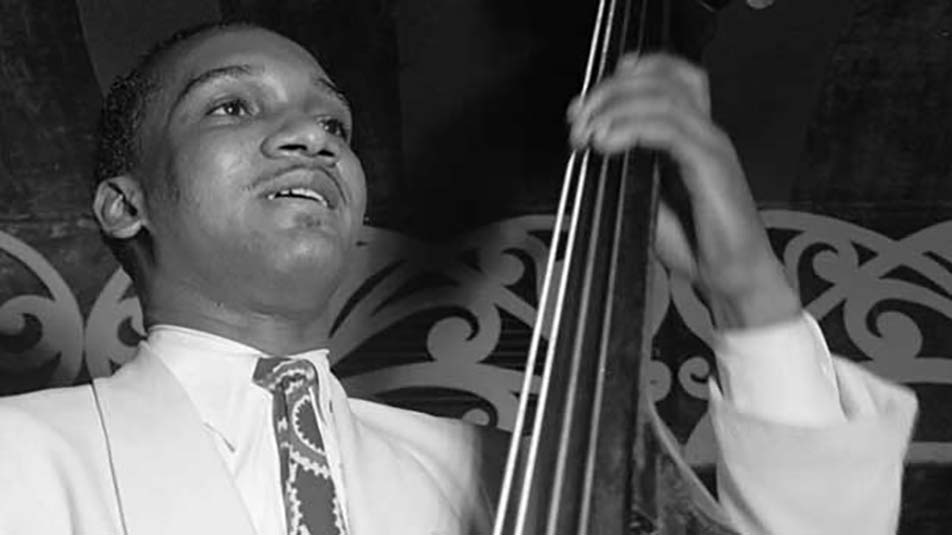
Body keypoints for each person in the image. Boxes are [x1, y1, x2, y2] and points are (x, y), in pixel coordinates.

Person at [0, 20, 916, 535]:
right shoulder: (25, 456)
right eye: (233, 107)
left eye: (336, 125)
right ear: (125, 205)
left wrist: (746, 287)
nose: (312, 136)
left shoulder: (498, 474)